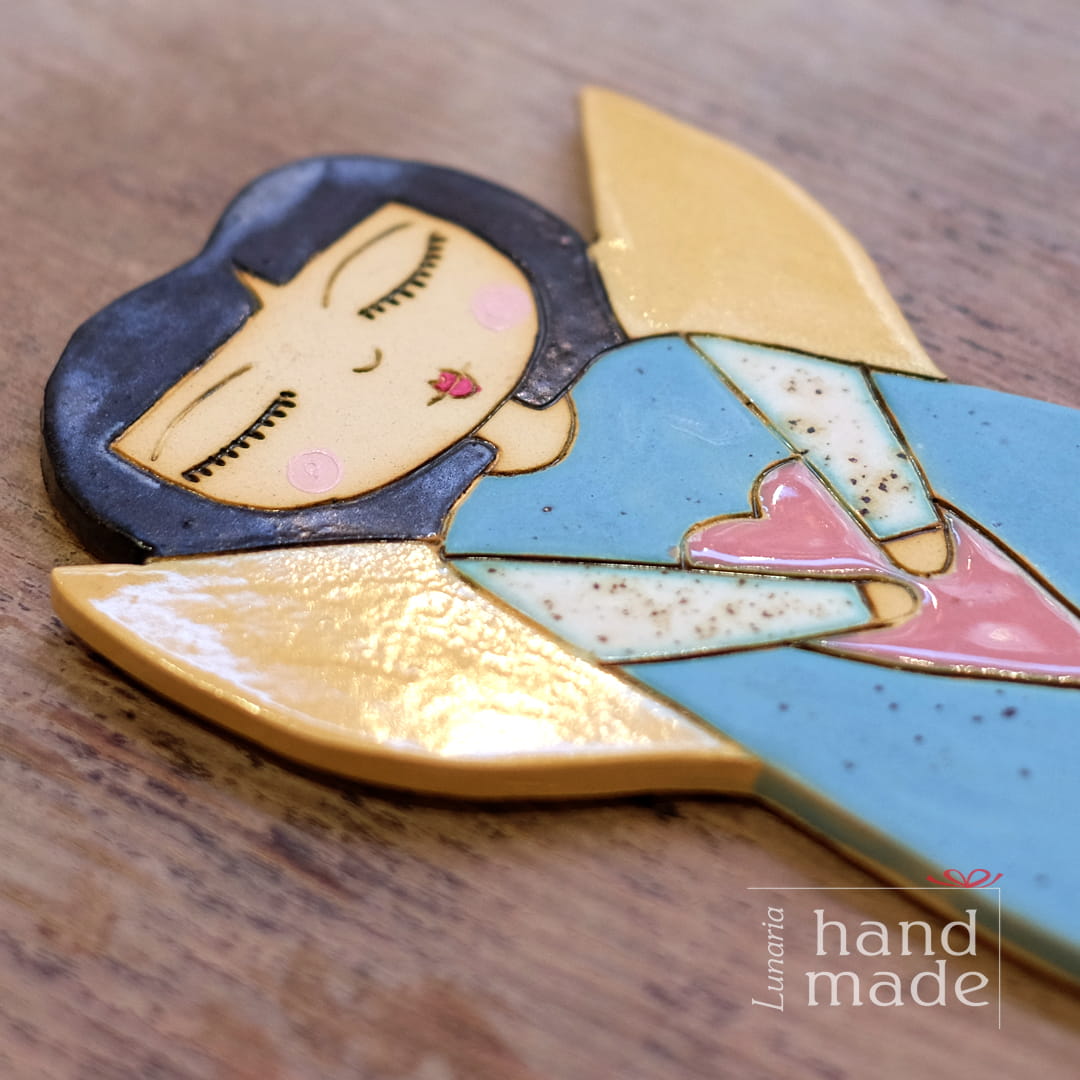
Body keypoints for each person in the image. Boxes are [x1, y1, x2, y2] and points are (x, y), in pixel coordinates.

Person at [43, 122, 1080, 980]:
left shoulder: (665, 369)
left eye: (401, 285)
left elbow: (823, 398)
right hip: (864, 704)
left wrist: (900, 519)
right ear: (234, 500)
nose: (369, 358)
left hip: (972, 536)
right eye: (261, 422)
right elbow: (618, 614)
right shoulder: (486, 547)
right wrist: (842, 607)